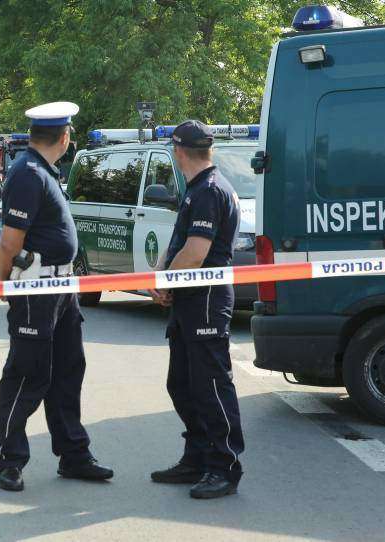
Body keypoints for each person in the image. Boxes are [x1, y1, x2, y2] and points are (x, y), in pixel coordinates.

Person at [0, 101, 113, 492]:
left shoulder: (42, 171)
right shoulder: (27, 174)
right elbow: (9, 242)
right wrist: (5, 282)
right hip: (37, 288)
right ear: (64, 137)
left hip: (61, 288)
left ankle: (74, 454)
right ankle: (9, 460)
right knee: (27, 373)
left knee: (66, 372)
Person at [148, 120, 245, 500]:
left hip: (205, 301)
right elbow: (181, 244)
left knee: (210, 387)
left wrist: (165, 283)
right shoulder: (199, 188)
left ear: (178, 151)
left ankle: (224, 467)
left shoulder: (209, 190)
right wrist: (163, 275)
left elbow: (195, 253)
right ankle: (198, 458)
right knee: (183, 385)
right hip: (190, 301)